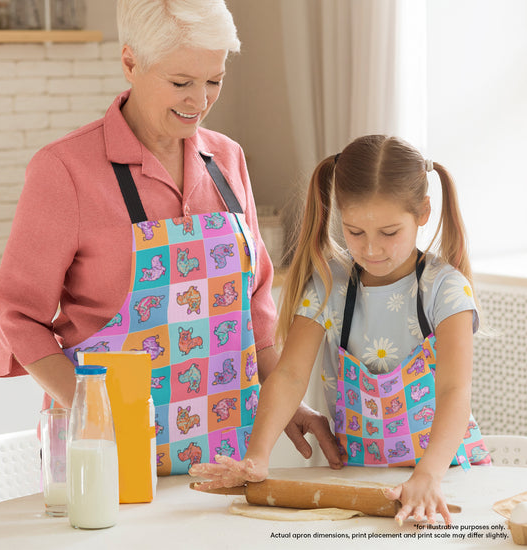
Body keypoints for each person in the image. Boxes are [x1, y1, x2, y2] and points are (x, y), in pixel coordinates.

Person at [0, 0, 338, 475]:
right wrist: (91, 410)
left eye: (214, 80)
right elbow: (18, 314)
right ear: (131, 62)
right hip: (107, 455)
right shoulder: (65, 170)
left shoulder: (227, 160)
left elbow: (253, 302)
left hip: (225, 458)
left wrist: (284, 401)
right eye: (181, 83)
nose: (200, 100)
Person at [189, 134, 491, 522]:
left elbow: (454, 391)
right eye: (355, 232)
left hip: (443, 481)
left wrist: (428, 475)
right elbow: (289, 376)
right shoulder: (330, 284)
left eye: (389, 232)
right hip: (358, 481)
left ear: (423, 212)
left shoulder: (445, 290)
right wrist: (257, 456)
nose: (371, 249)